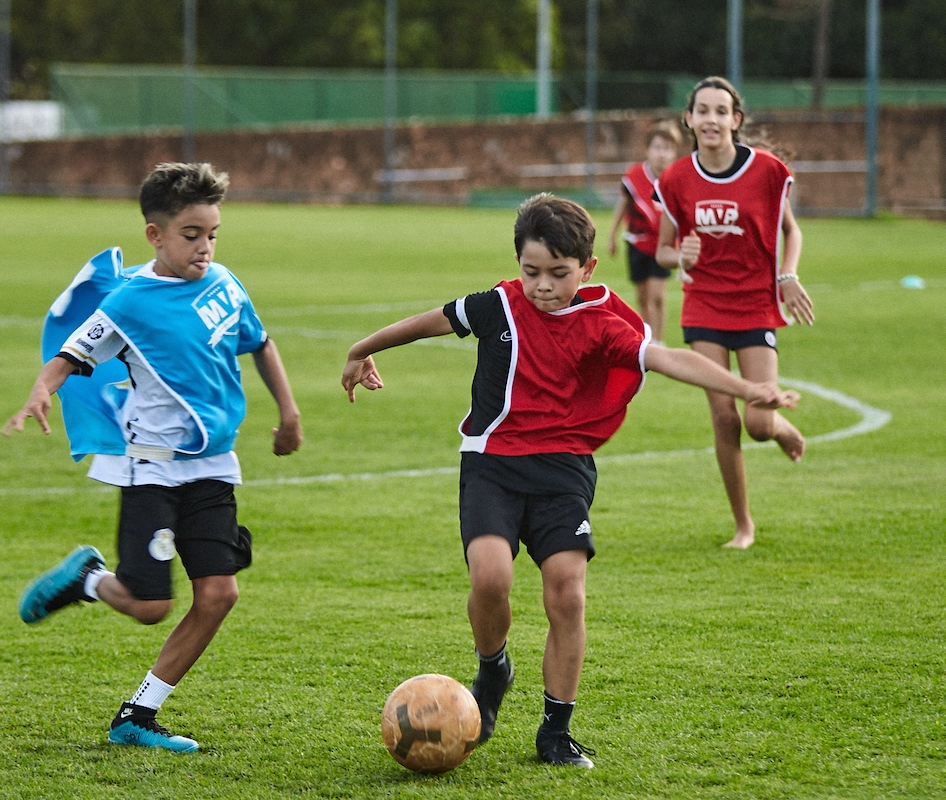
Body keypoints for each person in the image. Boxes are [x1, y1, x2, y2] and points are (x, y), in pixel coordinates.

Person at [341, 193, 799, 768]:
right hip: (492, 463)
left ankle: (555, 731)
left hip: (562, 470)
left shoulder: (602, 328)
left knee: (567, 590)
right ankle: (493, 668)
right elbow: (426, 324)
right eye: (531, 272)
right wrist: (361, 350)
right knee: (490, 578)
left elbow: (670, 359)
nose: (543, 286)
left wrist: (747, 389)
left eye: (559, 274)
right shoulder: (498, 307)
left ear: (587, 269)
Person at [2, 162, 303, 752]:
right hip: (154, 469)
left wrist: (288, 412)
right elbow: (71, 354)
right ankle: (88, 580)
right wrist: (42, 389)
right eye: (191, 234)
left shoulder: (225, 283)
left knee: (219, 593)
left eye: (213, 233)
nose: (205, 247)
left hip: (213, 465)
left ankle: (137, 716)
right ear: (155, 235)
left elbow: (260, 343)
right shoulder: (130, 302)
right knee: (150, 605)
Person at [654, 76, 814, 549]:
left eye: (721, 111)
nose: (711, 119)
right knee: (724, 418)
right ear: (689, 119)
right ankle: (744, 525)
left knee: (759, 422)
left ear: (735, 120)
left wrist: (787, 275)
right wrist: (679, 256)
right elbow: (662, 250)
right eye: (702, 110)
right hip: (704, 303)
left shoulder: (767, 171)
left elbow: (793, 232)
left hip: (756, 305)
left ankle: (780, 427)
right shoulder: (676, 179)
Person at [606, 121, 683, 345]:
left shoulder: (676, 178)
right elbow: (622, 205)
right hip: (637, 243)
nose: (662, 154)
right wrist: (612, 235)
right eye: (657, 147)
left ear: (674, 152)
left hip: (664, 245)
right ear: (648, 149)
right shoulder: (634, 175)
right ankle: (646, 337)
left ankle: (658, 340)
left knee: (657, 295)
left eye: (667, 148)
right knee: (642, 296)